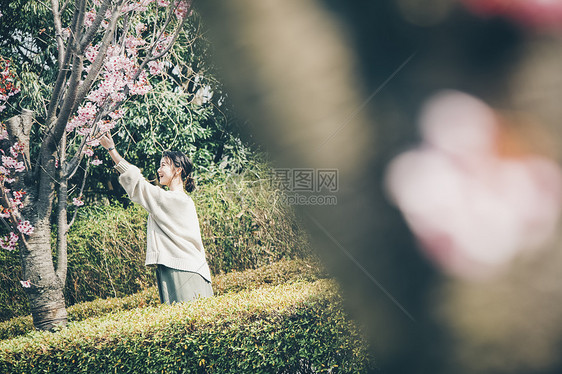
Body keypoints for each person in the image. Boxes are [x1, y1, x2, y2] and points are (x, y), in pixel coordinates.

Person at [99, 132, 213, 304]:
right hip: (183, 267)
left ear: (178, 170)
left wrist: (112, 151)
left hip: (183, 269)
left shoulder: (174, 200)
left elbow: (138, 183)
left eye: (164, 165)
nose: (159, 170)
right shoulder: (176, 200)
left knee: (186, 323)